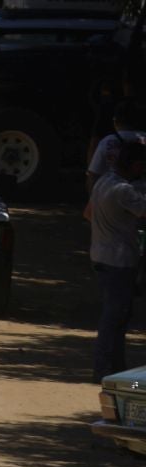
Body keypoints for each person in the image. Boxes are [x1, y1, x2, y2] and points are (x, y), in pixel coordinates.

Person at [89, 140, 146, 380]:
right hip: (119, 260)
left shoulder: (103, 181)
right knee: (114, 317)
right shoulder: (124, 190)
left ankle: (115, 367)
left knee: (117, 316)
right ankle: (102, 368)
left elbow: (87, 213)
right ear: (135, 165)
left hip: (101, 255)